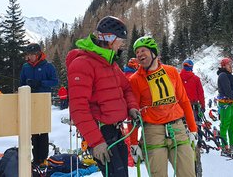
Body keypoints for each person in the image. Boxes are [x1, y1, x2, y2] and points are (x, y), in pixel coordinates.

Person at [66, 16, 139, 177]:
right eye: (120, 40)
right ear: (110, 39)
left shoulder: (110, 64)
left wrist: (132, 107)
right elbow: (78, 109)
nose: (122, 45)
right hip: (101, 134)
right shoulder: (82, 64)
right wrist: (96, 142)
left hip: (116, 131)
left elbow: (126, 88)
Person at [129, 36, 197, 177]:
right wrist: (134, 143)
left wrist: (193, 128)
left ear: (153, 52)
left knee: (188, 173)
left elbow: (184, 100)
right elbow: (132, 114)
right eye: (137, 53)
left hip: (177, 128)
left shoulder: (171, 71)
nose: (139, 54)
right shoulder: (135, 80)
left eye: (143, 50)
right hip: (152, 132)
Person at [20, 43, 58, 166]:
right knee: (33, 130)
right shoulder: (25, 67)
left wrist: (40, 83)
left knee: (43, 129)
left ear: (38, 54)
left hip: (43, 101)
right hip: (29, 101)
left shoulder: (48, 66)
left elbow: (55, 82)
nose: (30, 57)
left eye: (32, 54)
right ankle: (36, 159)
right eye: (29, 55)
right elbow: (21, 83)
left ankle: (43, 158)